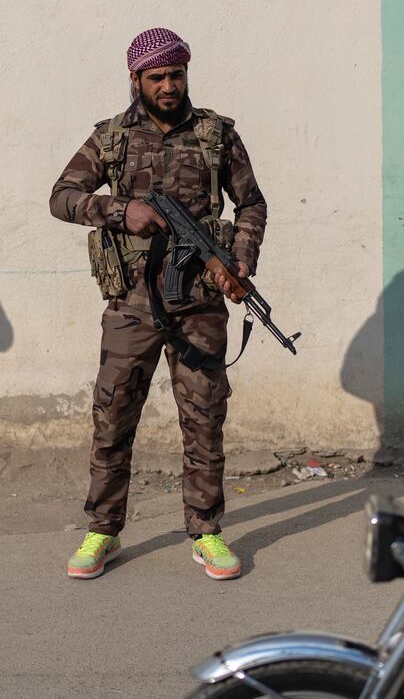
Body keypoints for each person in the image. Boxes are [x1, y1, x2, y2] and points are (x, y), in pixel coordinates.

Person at [50, 28, 267, 580]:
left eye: (176, 74)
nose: (169, 86)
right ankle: (103, 530)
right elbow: (62, 197)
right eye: (157, 77)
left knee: (204, 420)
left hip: (199, 306)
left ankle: (207, 532)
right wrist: (122, 212)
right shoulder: (111, 138)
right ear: (136, 80)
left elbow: (251, 204)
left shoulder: (217, 136)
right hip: (131, 305)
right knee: (114, 417)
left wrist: (239, 263)